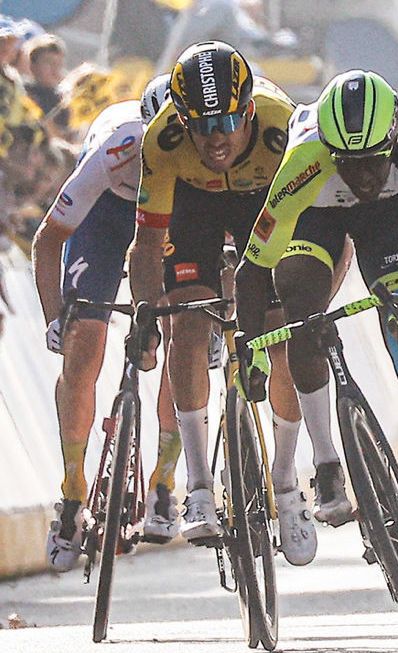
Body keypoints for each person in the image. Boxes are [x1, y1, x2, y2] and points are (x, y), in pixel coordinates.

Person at [234, 70, 398, 591]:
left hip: (394, 219)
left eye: (373, 161)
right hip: (315, 217)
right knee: (302, 314)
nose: (364, 176)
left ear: (391, 140)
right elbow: (253, 269)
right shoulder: (304, 160)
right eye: (351, 164)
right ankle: (326, 462)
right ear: (330, 150)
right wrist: (248, 348)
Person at [127, 41, 316, 566]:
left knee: (281, 338)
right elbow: (146, 244)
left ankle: (285, 482)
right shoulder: (163, 140)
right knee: (186, 323)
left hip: (264, 199)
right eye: (201, 123)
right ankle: (200, 487)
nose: (214, 137)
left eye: (228, 121)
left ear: (249, 110)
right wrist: (147, 314)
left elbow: (320, 225)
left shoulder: (284, 127)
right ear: (181, 117)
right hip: (195, 206)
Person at [32, 74, 183, 571]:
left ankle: (164, 478)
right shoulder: (116, 149)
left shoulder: (201, 153)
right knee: (85, 344)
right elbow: (48, 240)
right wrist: (56, 317)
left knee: (187, 331)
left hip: (173, 215)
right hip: (107, 214)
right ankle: (73, 490)